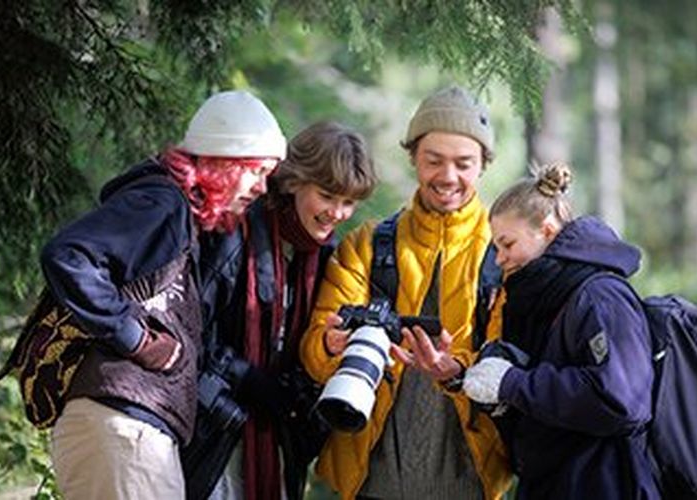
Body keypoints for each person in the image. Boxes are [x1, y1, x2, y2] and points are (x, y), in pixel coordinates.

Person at [42, 90, 286, 499]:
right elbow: (68, 256)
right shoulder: (163, 203)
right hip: (122, 428)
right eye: (257, 171)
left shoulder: (174, 214)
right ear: (224, 163)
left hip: (129, 431)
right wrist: (136, 339)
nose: (262, 188)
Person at [300, 86, 512, 500]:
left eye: (463, 164)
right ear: (413, 157)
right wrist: (329, 344)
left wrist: (456, 371)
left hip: (470, 480)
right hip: (368, 478)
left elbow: (509, 360)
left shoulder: (503, 253)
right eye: (433, 161)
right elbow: (313, 352)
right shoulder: (367, 244)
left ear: (483, 166)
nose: (447, 176)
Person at [194, 121, 378, 500]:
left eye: (349, 202)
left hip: (275, 443)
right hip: (213, 430)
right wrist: (251, 381)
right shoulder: (236, 231)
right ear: (294, 181)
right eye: (328, 196)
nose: (338, 213)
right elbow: (192, 331)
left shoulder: (327, 258)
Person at [463, 162, 660, 499]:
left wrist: (512, 383)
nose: (499, 259)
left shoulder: (600, 295)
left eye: (507, 244)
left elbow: (623, 401)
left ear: (548, 231)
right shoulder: (537, 299)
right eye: (496, 248)